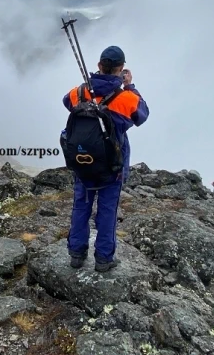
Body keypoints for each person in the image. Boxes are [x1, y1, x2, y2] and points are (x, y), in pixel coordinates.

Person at [62, 45, 149, 272]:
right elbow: (142, 114)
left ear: (99, 65)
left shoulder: (79, 93)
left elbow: (66, 102)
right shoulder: (126, 98)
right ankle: (103, 258)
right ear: (120, 69)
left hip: (83, 162)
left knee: (81, 206)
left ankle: (76, 254)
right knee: (108, 210)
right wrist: (129, 85)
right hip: (112, 165)